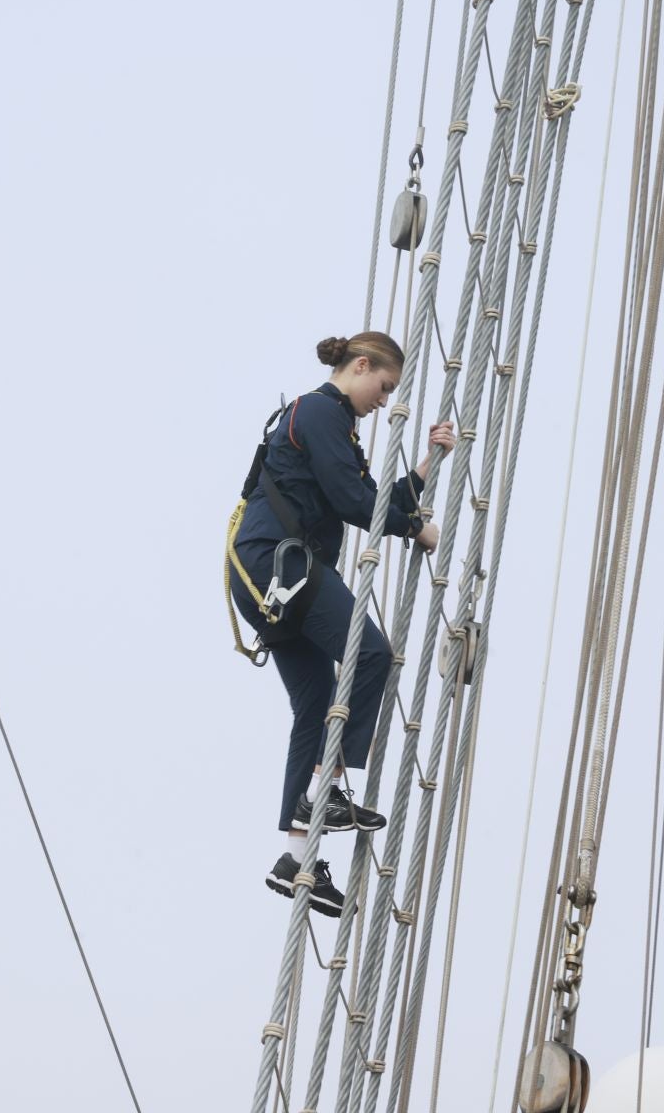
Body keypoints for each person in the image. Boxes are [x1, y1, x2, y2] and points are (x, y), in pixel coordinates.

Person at [227, 331, 456, 917]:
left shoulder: (333, 427)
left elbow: (370, 498)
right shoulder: (320, 411)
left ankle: (294, 857)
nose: (384, 401)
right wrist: (417, 529)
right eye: (384, 386)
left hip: (268, 576)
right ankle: (324, 791)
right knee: (372, 654)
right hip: (280, 565)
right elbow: (355, 503)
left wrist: (426, 467)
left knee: (316, 703)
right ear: (361, 365)